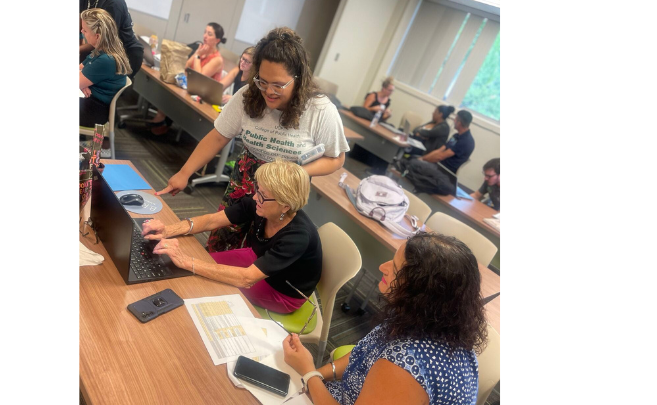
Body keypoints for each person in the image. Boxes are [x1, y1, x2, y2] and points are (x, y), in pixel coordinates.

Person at [155, 27, 349, 253]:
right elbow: (218, 137)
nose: (269, 91)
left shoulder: (320, 109)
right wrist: (184, 173)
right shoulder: (249, 95)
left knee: (259, 259)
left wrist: (300, 172)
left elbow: (336, 158)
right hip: (245, 181)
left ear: (299, 78)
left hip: (282, 194)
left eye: (278, 85)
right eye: (263, 81)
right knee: (222, 246)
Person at [282, 233, 487, 404]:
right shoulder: (427, 319)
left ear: (420, 293)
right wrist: (318, 374)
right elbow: (364, 353)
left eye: (395, 268)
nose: (382, 267)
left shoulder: (406, 365)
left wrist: (308, 372)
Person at [144, 160, 322, 314]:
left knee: (200, 281)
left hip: (282, 291)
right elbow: (212, 221)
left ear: (285, 206)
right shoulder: (262, 203)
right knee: (194, 267)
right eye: (257, 190)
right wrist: (168, 230)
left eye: (262, 196)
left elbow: (246, 278)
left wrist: (186, 261)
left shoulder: (298, 236)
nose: (254, 197)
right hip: (259, 261)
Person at [149, 23, 226, 135]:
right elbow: (184, 66)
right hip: (191, 88)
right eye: (205, 32)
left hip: (203, 98)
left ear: (217, 40)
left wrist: (198, 56)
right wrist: (197, 54)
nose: (205, 36)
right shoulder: (201, 50)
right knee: (169, 86)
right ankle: (161, 117)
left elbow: (200, 77)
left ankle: (163, 121)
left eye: (209, 34)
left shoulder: (217, 59)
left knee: (174, 93)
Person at [79, 8, 132, 129]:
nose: (82, 32)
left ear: (97, 36)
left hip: (94, 111)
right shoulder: (100, 51)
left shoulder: (106, 60)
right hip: (91, 104)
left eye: (85, 30)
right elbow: (79, 68)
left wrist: (81, 83)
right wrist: (83, 84)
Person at [79, 0, 143, 79]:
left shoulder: (115, 4)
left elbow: (102, 39)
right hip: (104, 49)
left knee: (107, 86)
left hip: (126, 53)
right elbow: (81, 22)